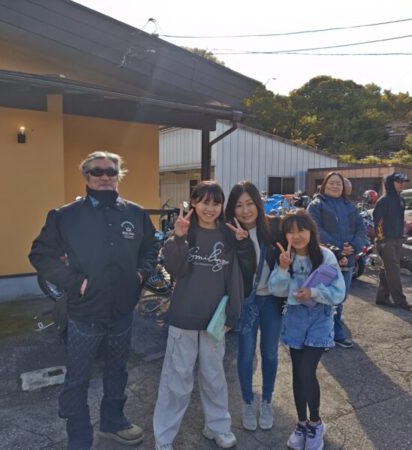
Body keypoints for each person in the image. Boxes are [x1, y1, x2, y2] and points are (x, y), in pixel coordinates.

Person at [29, 151, 158, 450]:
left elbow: (151, 248)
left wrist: (141, 274)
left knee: (118, 370)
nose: (104, 177)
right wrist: (76, 283)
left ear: (118, 176)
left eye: (110, 172)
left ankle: (114, 422)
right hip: (84, 313)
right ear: (86, 176)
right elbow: (40, 254)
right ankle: (79, 435)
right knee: (77, 377)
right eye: (96, 172)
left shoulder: (136, 214)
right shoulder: (65, 216)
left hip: (122, 310)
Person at [153, 181, 244, 450]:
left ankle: (218, 427)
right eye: (204, 202)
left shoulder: (228, 235)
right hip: (183, 317)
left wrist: (233, 313)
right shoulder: (185, 231)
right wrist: (178, 238)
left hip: (215, 321)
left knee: (214, 378)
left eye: (216, 203)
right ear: (193, 202)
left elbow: (235, 278)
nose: (210, 208)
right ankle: (164, 438)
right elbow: (174, 269)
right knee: (176, 381)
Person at [268, 210, 345, 450]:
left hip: (320, 318)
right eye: (290, 231)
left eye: (301, 229)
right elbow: (276, 290)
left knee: (306, 371)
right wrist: (282, 269)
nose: (296, 235)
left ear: (311, 231)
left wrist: (314, 292)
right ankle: (301, 423)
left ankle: (316, 423)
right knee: (298, 373)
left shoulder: (325, 256)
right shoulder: (285, 257)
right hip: (295, 318)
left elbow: (339, 292)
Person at [225, 181, 283, 431]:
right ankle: (248, 402)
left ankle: (267, 400)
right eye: (239, 205)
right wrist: (240, 244)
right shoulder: (228, 233)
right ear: (232, 209)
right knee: (246, 354)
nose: (245, 210)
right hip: (248, 301)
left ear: (258, 204)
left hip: (272, 300)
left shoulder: (275, 227)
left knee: (270, 353)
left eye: (250, 203)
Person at [307, 172, 366, 348]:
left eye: (338, 184)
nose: (335, 186)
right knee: (321, 297)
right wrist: (338, 248)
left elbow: (361, 230)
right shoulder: (316, 205)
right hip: (326, 258)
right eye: (331, 183)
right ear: (324, 185)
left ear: (343, 187)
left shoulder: (351, 207)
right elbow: (315, 230)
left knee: (339, 297)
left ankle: (336, 333)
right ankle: (319, 335)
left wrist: (353, 246)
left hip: (348, 259)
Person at [373, 172, 412, 310]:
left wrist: (403, 233)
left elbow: (399, 220)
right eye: (399, 181)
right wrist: (382, 240)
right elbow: (378, 222)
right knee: (394, 271)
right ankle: (400, 301)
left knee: (388, 270)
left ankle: (382, 297)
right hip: (386, 241)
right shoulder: (383, 201)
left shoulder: (401, 200)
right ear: (390, 183)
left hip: (397, 239)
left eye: (403, 182)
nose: (402, 184)